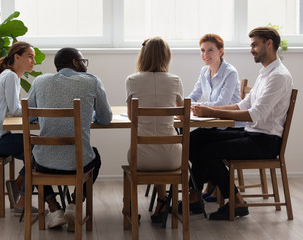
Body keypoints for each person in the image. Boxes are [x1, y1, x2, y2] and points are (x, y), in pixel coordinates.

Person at [189, 26, 293, 220]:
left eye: (255, 45)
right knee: (196, 138)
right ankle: (194, 196)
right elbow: (242, 104)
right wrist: (209, 111)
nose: (251, 49)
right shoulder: (265, 73)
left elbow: (255, 114)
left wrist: (212, 111)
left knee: (207, 151)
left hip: (265, 141)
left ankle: (236, 201)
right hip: (251, 134)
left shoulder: (278, 76)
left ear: (269, 44)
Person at [27, 47, 112, 230]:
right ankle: (74, 204)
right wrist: (91, 116)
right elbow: (106, 118)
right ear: (75, 62)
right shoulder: (92, 81)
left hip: (45, 164)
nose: (85, 66)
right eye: (83, 61)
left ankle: (54, 208)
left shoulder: (39, 81)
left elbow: (29, 117)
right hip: (78, 164)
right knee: (95, 157)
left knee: (34, 158)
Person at [125, 37, 184, 224]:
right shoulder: (175, 80)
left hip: (141, 158)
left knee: (151, 146)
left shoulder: (132, 80)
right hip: (173, 158)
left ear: (143, 55)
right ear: (167, 56)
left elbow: (131, 116)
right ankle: (162, 200)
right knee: (161, 144)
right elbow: (182, 117)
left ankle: (131, 211)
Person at [0, 41, 38, 215]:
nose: (33, 61)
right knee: (39, 149)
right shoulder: (10, 77)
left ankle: (18, 185)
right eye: (29, 57)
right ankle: (22, 201)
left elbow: (14, 111)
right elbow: (16, 110)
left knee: (36, 150)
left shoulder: (8, 76)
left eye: (33, 58)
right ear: (17, 57)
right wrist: (40, 112)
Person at [188, 34, 244, 203]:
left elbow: (222, 103)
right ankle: (208, 184)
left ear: (221, 51)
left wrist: (201, 107)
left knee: (194, 142)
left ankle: (199, 190)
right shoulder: (204, 71)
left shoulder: (230, 72)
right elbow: (195, 94)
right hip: (214, 125)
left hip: (232, 125)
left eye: (210, 50)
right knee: (190, 141)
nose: (206, 54)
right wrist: (183, 104)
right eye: (203, 50)